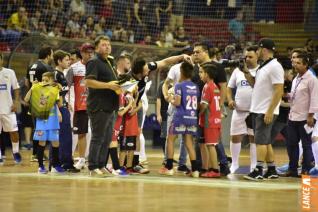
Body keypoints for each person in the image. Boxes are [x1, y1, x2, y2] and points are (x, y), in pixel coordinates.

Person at [243, 38, 284, 181]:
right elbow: (256, 85)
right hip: (259, 109)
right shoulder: (264, 66)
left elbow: (279, 90)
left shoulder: (275, 66)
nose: (257, 52)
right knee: (265, 141)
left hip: (264, 111)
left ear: (264, 50)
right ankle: (271, 169)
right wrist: (247, 73)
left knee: (260, 141)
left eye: (258, 50)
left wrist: (270, 111)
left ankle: (258, 170)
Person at [85, 35, 121, 176]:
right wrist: (108, 86)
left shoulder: (109, 61)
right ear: (97, 48)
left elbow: (114, 82)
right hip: (98, 105)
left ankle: (101, 164)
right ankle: (93, 166)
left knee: (107, 138)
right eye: (104, 44)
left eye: (109, 44)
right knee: (98, 137)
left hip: (110, 106)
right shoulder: (94, 62)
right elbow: (88, 82)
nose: (107, 47)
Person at [191, 42, 230, 176]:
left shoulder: (210, 84)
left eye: (198, 51)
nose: (195, 54)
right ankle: (205, 168)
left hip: (209, 116)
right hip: (208, 116)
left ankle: (216, 168)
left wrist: (217, 109)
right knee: (203, 142)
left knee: (211, 143)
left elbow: (223, 88)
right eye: (194, 52)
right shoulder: (208, 83)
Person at [159, 62, 199, 177]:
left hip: (180, 117)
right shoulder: (195, 87)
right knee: (189, 143)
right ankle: (195, 170)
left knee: (170, 139)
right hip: (192, 117)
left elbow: (177, 102)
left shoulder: (179, 86)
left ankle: (170, 167)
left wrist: (170, 99)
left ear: (181, 72)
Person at [281, 52, 318, 177]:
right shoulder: (296, 78)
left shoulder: (312, 79)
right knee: (291, 144)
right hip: (293, 116)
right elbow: (296, 95)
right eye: (294, 62)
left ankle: (306, 169)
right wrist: (288, 96)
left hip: (305, 118)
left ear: (306, 64)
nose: (294, 65)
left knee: (306, 144)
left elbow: (314, 99)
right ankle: (292, 169)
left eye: (298, 63)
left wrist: (310, 116)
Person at [226, 46, 259, 173]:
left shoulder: (260, 70)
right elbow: (229, 88)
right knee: (235, 137)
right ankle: (234, 164)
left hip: (254, 111)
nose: (247, 59)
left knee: (253, 139)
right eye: (246, 57)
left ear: (257, 56)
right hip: (239, 110)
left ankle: (254, 165)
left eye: (250, 56)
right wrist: (230, 100)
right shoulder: (237, 71)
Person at [24, 72, 64, 174]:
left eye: (46, 80)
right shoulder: (37, 89)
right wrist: (32, 88)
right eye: (43, 80)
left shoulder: (55, 90)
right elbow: (26, 99)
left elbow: (59, 104)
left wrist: (60, 91)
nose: (44, 82)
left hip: (53, 119)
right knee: (41, 142)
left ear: (52, 81)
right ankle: (41, 166)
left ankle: (55, 165)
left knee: (55, 142)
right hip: (42, 120)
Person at [66, 43, 95, 170]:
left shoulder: (97, 66)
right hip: (81, 106)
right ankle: (82, 159)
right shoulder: (74, 68)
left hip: (96, 106)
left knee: (97, 134)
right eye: (87, 51)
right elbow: (65, 86)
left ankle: (96, 160)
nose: (90, 54)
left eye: (91, 52)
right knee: (81, 133)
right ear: (81, 53)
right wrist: (66, 101)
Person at [26, 46, 54, 162]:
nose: (52, 57)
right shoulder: (46, 67)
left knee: (37, 127)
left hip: (33, 99)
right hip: (42, 101)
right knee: (41, 127)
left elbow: (28, 82)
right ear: (47, 55)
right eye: (51, 54)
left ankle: (35, 153)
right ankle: (38, 154)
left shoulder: (31, 66)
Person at [53, 50, 79, 172]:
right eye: (66, 60)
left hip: (63, 107)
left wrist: (66, 104)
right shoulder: (55, 75)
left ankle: (66, 162)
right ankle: (60, 164)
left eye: (69, 59)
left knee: (66, 136)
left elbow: (62, 94)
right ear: (59, 61)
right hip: (59, 109)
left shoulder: (61, 74)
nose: (69, 62)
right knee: (62, 137)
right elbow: (53, 94)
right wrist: (58, 109)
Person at [199, 63, 222, 178]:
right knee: (209, 145)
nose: (200, 75)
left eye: (201, 72)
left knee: (210, 145)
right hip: (215, 120)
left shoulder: (208, 87)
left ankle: (215, 170)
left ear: (207, 74)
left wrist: (197, 114)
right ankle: (208, 168)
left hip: (210, 121)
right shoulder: (214, 86)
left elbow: (203, 105)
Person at [0, 52, 22, 164]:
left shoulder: (9, 72)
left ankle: (15, 151)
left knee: (14, 132)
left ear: (2, 60)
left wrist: (16, 101)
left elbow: (16, 88)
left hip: (8, 108)